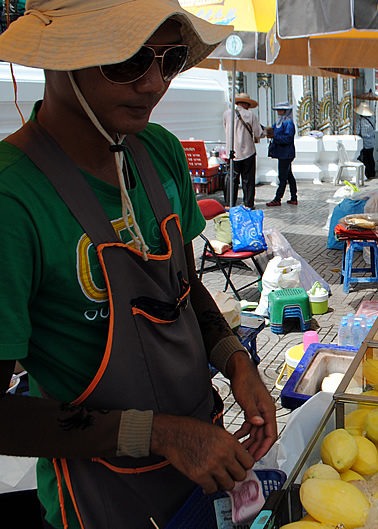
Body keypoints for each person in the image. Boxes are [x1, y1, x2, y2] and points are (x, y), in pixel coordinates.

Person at [0, 2, 277, 528]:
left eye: (169, 59)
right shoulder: (13, 199)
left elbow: (184, 288)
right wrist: (160, 433)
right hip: (99, 497)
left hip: (204, 478)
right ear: (60, 60)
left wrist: (238, 363)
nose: (154, 84)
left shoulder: (160, 152)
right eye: (127, 60)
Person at [224, 92, 263, 208]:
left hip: (232, 152)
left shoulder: (227, 114)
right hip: (248, 151)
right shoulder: (250, 115)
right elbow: (258, 133)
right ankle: (248, 203)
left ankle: (229, 203)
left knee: (232, 179)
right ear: (246, 104)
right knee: (248, 180)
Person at [266, 101, 297, 206]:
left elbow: (288, 138)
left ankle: (278, 198)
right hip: (282, 153)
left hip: (286, 154)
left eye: (281, 109)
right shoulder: (280, 123)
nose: (279, 112)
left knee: (282, 177)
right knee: (289, 176)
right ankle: (293, 197)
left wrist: (275, 137)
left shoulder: (288, 123)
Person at [356, 101, 377, 181]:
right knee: (370, 157)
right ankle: (372, 172)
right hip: (371, 141)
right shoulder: (372, 119)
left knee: (365, 158)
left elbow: (358, 132)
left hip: (364, 142)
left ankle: (367, 173)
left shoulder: (360, 121)